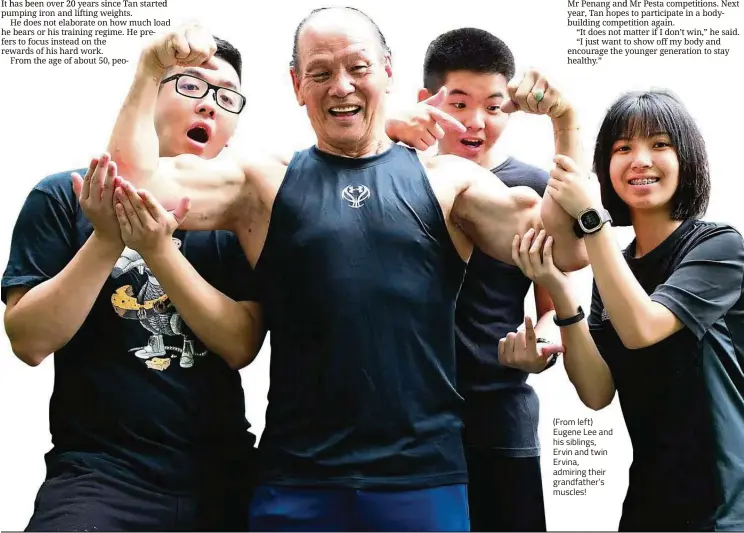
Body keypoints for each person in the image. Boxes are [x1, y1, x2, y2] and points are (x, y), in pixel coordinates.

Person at [103, 9, 588, 531]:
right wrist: (149, 69)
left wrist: (565, 123)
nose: (341, 87)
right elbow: (129, 188)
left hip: (421, 479)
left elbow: (565, 247)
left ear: (387, 72)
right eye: (320, 73)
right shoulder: (260, 185)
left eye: (358, 68)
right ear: (297, 85)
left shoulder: (452, 184)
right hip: (296, 481)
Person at [2, 37, 265, 531]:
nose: (209, 102)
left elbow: (241, 344)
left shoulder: (241, 217)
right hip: (98, 476)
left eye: (227, 96)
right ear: (149, 98)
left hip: (224, 474)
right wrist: (106, 237)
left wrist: (160, 251)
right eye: (191, 84)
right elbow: (30, 342)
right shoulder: (64, 196)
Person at [506, 90, 744, 531]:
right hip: (648, 507)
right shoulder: (616, 268)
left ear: (686, 159)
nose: (640, 160)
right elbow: (597, 392)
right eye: (622, 148)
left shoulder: (719, 246)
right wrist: (559, 290)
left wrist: (591, 219)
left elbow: (643, 328)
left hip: (724, 510)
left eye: (659, 144)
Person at [409, 27, 570, 532]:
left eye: (494, 107)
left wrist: (542, 342)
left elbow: (554, 305)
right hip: (408, 427)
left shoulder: (533, 187)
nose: (476, 122)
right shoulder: (393, 179)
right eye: (458, 104)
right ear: (425, 103)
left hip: (501, 418)